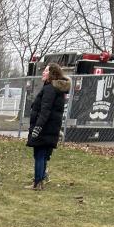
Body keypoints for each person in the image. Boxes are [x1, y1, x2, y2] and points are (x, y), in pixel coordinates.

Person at [26, 62, 70, 190]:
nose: (43, 73)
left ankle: (38, 182)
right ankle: (40, 180)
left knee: (39, 154)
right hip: (50, 128)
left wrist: (38, 127)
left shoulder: (50, 89)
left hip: (45, 128)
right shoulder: (54, 88)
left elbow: (45, 110)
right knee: (43, 155)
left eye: (46, 71)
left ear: (51, 74)